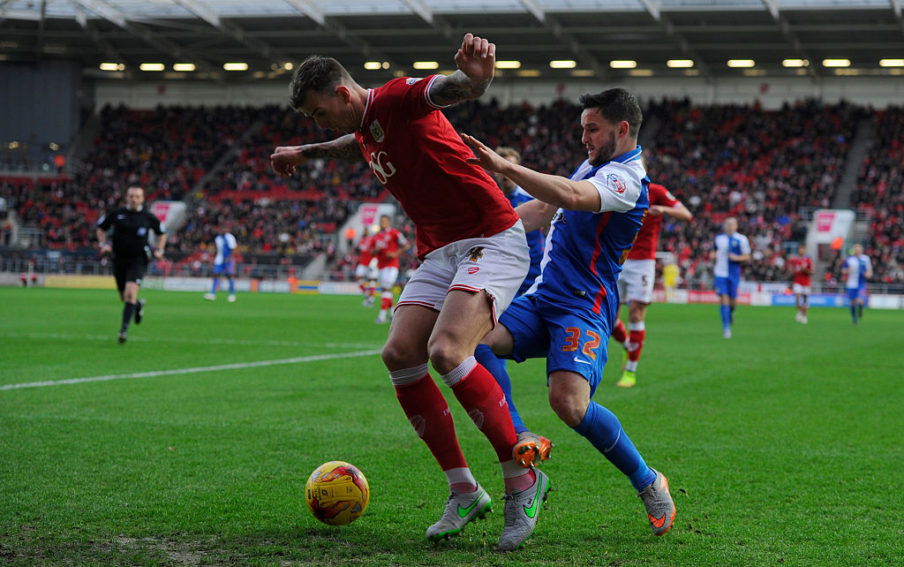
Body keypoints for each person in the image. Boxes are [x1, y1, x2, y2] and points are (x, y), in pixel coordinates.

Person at [270, 33, 549, 551]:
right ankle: (465, 490)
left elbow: (453, 89)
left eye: (316, 113)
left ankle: (523, 479)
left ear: (342, 92)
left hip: (490, 237)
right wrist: (305, 150)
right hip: (440, 250)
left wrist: (477, 76)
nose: (316, 123)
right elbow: (354, 146)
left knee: (447, 350)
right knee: (399, 352)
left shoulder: (397, 98)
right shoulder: (368, 129)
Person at [461, 87, 676, 538]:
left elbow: (573, 196)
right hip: (543, 299)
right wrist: (468, 233)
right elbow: (542, 207)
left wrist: (503, 166)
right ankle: (522, 439)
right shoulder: (595, 163)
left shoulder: (628, 178)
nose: (584, 138)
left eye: (591, 129)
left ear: (621, 130)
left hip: (583, 307)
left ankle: (649, 481)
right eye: (582, 129)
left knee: (569, 404)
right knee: (467, 338)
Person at [474, 146, 551, 466]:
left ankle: (518, 425)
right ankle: (516, 426)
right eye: (498, 170)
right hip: (500, 279)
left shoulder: (529, 202)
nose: (501, 175)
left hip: (532, 282)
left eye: (508, 170)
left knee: (486, 342)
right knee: (482, 344)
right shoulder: (489, 199)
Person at [611, 183, 692, 387]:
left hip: (643, 262)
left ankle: (630, 370)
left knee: (636, 314)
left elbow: (686, 214)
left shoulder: (656, 191)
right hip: (616, 258)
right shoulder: (615, 185)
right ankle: (630, 345)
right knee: (610, 318)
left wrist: (663, 209)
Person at [96, 186, 166, 344]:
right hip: (119, 259)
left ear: (142, 199)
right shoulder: (116, 214)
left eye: (137, 196)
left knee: (130, 292)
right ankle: (137, 305)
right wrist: (103, 245)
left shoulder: (148, 217)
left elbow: (162, 233)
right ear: (126, 197)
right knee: (124, 297)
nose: (134, 199)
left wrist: (160, 250)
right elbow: (100, 229)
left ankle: (123, 331)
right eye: (131, 196)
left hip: (138, 260)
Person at [712, 217, 750, 339]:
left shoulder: (742, 239)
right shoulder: (719, 239)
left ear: (736, 226)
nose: (729, 226)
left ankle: (730, 314)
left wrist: (736, 258)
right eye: (727, 224)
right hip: (720, 273)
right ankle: (726, 329)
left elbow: (747, 256)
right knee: (724, 299)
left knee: (733, 302)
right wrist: (712, 255)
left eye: (732, 224)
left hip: (734, 273)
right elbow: (714, 251)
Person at [371, 215, 410, 324]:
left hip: (392, 265)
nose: (383, 223)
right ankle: (393, 314)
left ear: (389, 222)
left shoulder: (394, 233)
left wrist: (395, 254)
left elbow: (406, 245)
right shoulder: (376, 236)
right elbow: (371, 252)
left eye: (384, 221)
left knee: (386, 288)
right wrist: (376, 250)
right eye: (381, 221)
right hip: (381, 266)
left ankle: (381, 316)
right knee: (385, 290)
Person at [204, 224, 238, 302]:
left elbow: (233, 250)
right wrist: (213, 259)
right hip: (219, 259)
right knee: (216, 274)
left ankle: (232, 294)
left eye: (225, 229)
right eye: (222, 229)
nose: (223, 230)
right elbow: (217, 249)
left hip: (227, 260)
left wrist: (229, 258)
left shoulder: (230, 237)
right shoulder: (218, 238)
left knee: (230, 276)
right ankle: (212, 294)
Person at [842, 243, 872, 324]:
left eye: (859, 249)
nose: (858, 251)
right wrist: (848, 270)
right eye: (856, 250)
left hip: (861, 283)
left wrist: (868, 274)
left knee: (860, 300)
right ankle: (854, 318)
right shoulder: (849, 259)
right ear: (854, 250)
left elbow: (869, 270)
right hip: (851, 283)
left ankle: (860, 308)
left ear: (862, 250)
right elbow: (843, 270)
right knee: (852, 302)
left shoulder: (866, 259)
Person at [787, 244, 813, 324]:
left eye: (803, 249)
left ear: (804, 250)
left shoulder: (808, 260)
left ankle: (803, 315)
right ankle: (800, 311)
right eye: (800, 249)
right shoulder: (794, 260)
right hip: (797, 282)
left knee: (805, 300)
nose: (801, 250)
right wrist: (792, 270)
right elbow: (790, 270)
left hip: (806, 283)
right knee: (797, 298)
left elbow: (811, 272)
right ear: (798, 250)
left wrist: (804, 270)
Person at [354, 226, 378, 307]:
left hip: (371, 262)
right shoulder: (362, 240)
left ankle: (371, 298)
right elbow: (359, 250)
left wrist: (374, 261)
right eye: (364, 231)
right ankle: (367, 294)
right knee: (358, 277)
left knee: (372, 280)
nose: (364, 232)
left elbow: (377, 249)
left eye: (365, 231)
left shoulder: (372, 239)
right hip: (363, 262)